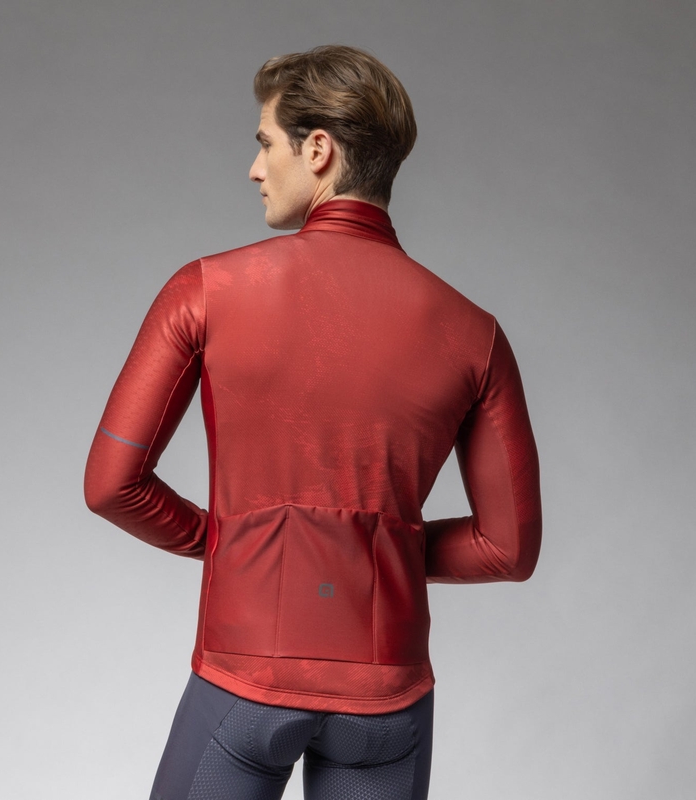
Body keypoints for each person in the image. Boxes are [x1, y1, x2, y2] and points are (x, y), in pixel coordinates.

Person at [84, 44, 541, 800]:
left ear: (319, 149)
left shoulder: (205, 290)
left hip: (245, 675)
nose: (254, 168)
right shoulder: (475, 333)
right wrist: (377, 548)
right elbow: (509, 548)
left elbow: (111, 486)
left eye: (265, 143)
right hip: (389, 697)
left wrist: (231, 541)